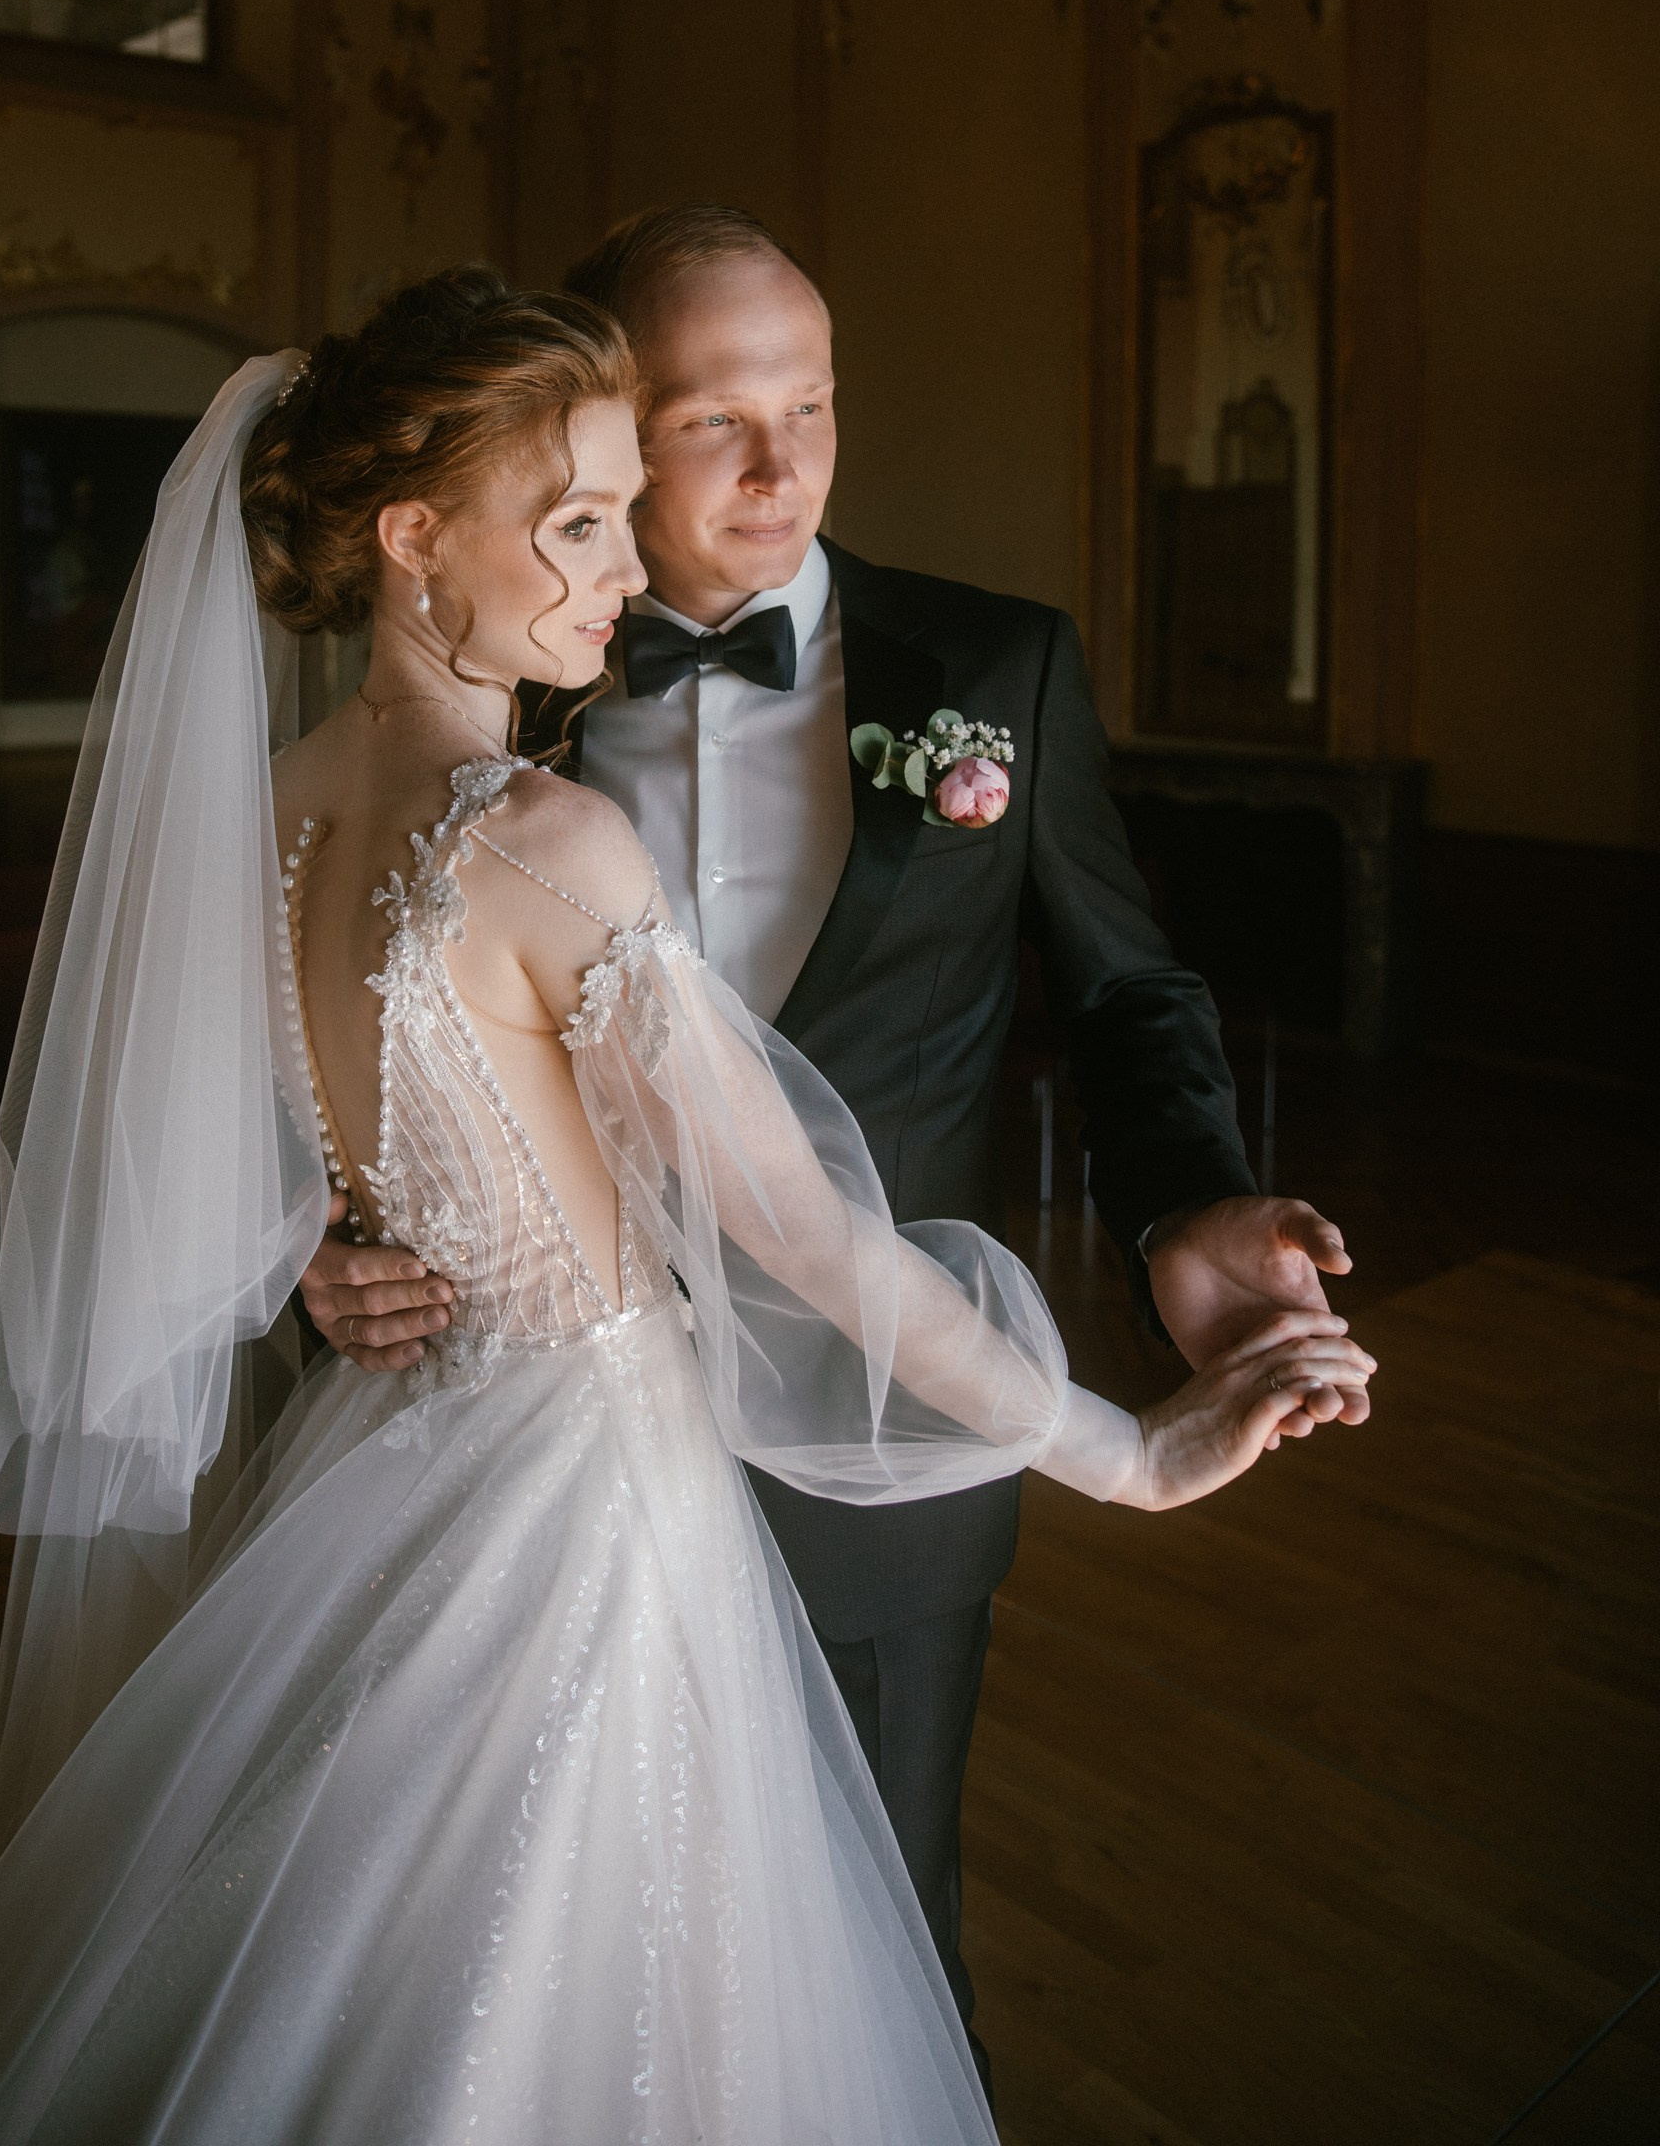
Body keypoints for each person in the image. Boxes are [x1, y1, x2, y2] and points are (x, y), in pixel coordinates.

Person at [0, 270, 1373, 2145]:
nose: (627, 569)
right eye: (579, 522)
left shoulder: (259, 808)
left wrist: (317, 1233)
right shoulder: (550, 838)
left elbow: (184, 1137)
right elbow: (805, 1232)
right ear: (412, 537)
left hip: (390, 1462)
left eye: (624, 511)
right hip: (594, 1491)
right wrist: (1133, 1453)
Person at [302, 212, 1372, 2093]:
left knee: (861, 1976)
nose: (781, 465)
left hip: (894, 1434)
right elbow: (359, 1020)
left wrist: (1191, 1205)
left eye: (811, 405)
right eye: (713, 420)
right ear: (602, 426)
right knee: (502, 1977)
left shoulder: (996, 665)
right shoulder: (501, 662)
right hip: (517, 1449)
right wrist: (319, 1236)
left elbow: (1127, 991)